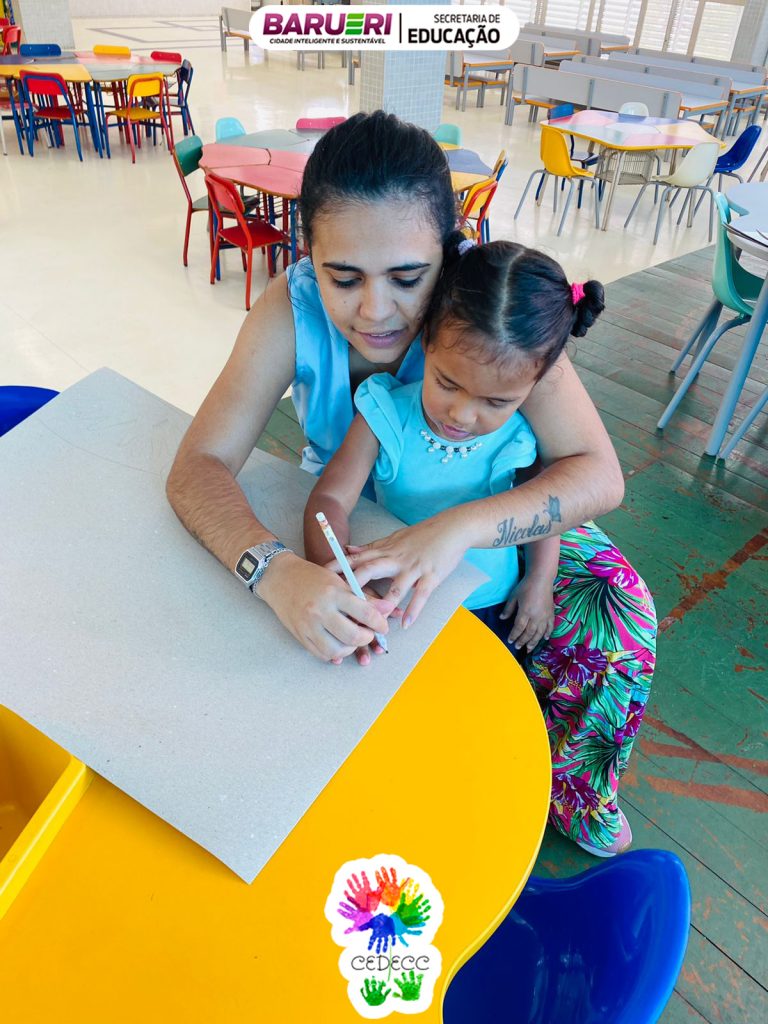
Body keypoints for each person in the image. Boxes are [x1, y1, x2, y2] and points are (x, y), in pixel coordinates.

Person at [166, 110, 656, 855]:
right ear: (308, 255)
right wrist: (277, 573)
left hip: (485, 505)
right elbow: (198, 466)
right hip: (354, 522)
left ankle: (576, 789)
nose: (375, 311)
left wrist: (457, 529)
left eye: (407, 277)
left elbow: (598, 473)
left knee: (620, 614)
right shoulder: (291, 310)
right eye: (343, 277)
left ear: (449, 253)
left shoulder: (486, 307)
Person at [303, 239, 575, 660]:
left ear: (534, 389)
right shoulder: (385, 413)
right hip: (395, 605)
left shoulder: (521, 436)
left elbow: (542, 511)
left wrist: (539, 581)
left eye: (496, 401)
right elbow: (329, 500)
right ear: (426, 341)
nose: (462, 415)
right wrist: (341, 582)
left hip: (491, 604)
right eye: (447, 383)